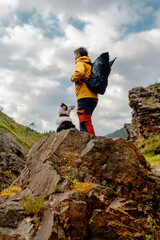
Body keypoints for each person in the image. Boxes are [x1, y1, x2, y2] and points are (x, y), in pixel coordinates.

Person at [71, 47, 98, 135]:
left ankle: (92, 144)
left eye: (75, 55)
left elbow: (80, 73)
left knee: (84, 123)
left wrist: (72, 78)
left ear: (78, 55)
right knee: (87, 121)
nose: (75, 57)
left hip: (84, 96)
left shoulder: (80, 62)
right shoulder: (91, 65)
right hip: (93, 97)